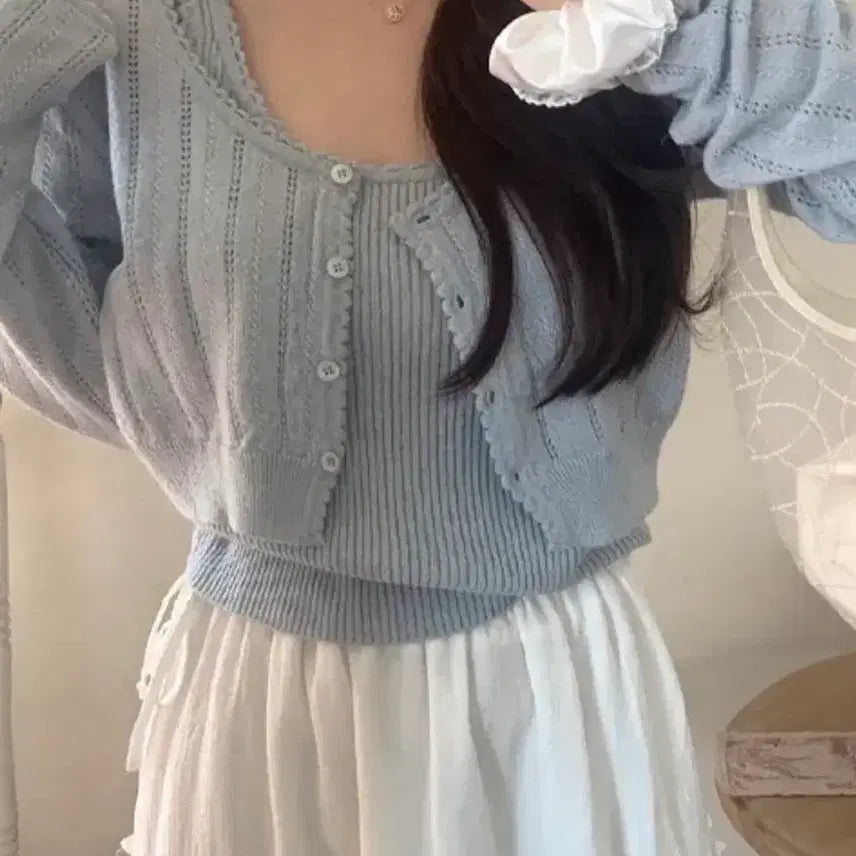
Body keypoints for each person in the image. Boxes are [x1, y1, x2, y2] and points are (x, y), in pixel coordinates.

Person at [1, 0, 855, 852]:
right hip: (270, 707)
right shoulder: (148, 28)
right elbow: (98, 331)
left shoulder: (615, 22)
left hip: (556, 704)